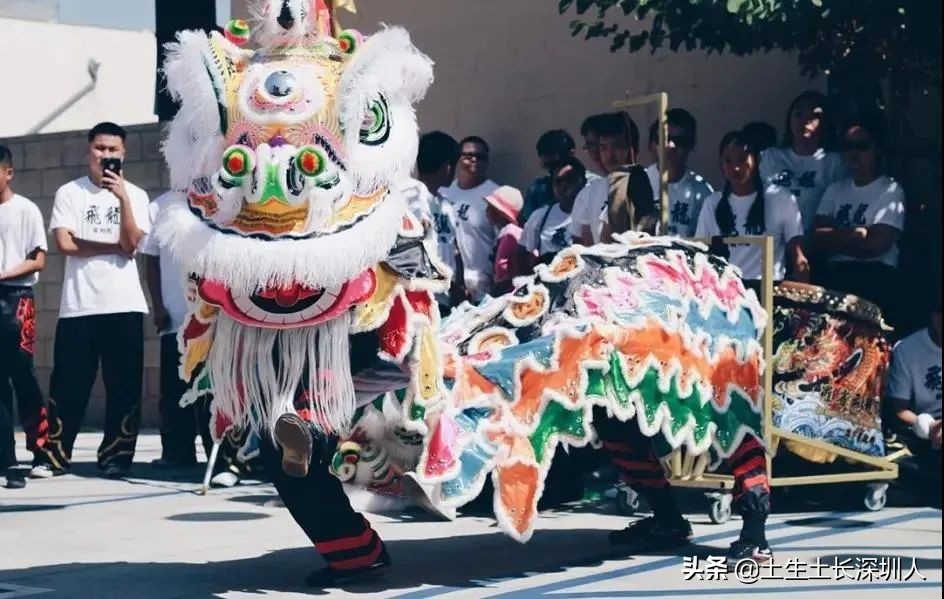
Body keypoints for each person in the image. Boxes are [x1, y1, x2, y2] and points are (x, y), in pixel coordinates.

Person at [44, 122, 151, 479]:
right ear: (88, 151)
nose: (106, 155)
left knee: (123, 386)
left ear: (124, 154)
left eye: (113, 150)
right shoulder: (69, 193)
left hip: (124, 304)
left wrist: (122, 200)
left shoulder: (135, 195)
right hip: (79, 305)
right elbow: (65, 243)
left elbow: (132, 243)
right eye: (100, 148)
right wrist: (112, 247)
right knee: (68, 383)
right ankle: (54, 456)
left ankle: (116, 457)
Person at [812, 112, 905, 323]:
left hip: (876, 278)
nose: (853, 153)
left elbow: (877, 245)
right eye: (848, 146)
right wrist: (854, 235)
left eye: (862, 146)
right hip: (835, 276)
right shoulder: (834, 189)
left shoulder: (890, 190)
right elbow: (817, 237)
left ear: (877, 148)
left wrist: (835, 238)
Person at [0, 145, 53, 488]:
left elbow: (38, 260)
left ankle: (41, 451)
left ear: (8, 173)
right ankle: (7, 460)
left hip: (17, 299)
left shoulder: (25, 209)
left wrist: (4, 274)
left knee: (23, 377)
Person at [695, 130, 809, 287]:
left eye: (742, 160)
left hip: (768, 289)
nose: (735, 168)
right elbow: (700, 253)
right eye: (728, 161)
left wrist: (805, 296)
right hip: (725, 289)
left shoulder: (781, 198)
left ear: (757, 160)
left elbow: (798, 256)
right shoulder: (712, 203)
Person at [760, 91, 846, 234]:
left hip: (812, 241)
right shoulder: (770, 157)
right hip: (772, 240)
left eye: (814, 116)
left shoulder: (834, 162)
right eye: (799, 114)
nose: (805, 121)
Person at [885, 297, 942, 506]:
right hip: (924, 429)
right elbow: (899, 409)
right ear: (934, 316)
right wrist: (930, 426)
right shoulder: (908, 349)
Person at [400, 131, 465, 311]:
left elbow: (454, 247)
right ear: (447, 167)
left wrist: (459, 283)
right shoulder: (413, 196)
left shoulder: (445, 204)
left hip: (445, 295)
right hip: (422, 295)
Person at [440, 136, 500, 304]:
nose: (474, 160)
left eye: (480, 157)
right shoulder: (444, 192)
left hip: (482, 283)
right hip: (447, 282)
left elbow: (502, 242)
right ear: (457, 159)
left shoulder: (495, 195)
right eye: (468, 155)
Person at [644, 109, 714, 237]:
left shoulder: (702, 192)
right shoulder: (638, 182)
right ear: (652, 144)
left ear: (690, 145)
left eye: (680, 141)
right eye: (664, 139)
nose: (671, 146)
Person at [594, 112, 658, 242]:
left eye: (617, 147)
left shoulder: (642, 180)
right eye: (604, 148)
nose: (610, 156)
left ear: (632, 148)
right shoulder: (596, 189)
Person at [518, 157, 586, 272]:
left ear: (583, 182)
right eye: (558, 181)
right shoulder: (541, 216)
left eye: (569, 179)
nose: (564, 185)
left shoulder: (593, 213)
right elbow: (522, 254)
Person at [519, 130, 576, 224]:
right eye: (547, 165)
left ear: (571, 154)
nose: (554, 170)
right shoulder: (538, 189)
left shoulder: (590, 185)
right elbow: (526, 222)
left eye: (555, 164)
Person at [570, 114, 610, 245]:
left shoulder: (644, 181)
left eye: (602, 146)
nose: (596, 153)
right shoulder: (587, 193)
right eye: (590, 146)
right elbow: (584, 245)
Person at [484, 186, 524, 296]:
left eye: (491, 208)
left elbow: (502, 266)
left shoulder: (509, 232)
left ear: (501, 212)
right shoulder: (505, 231)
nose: (486, 211)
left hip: (508, 292)